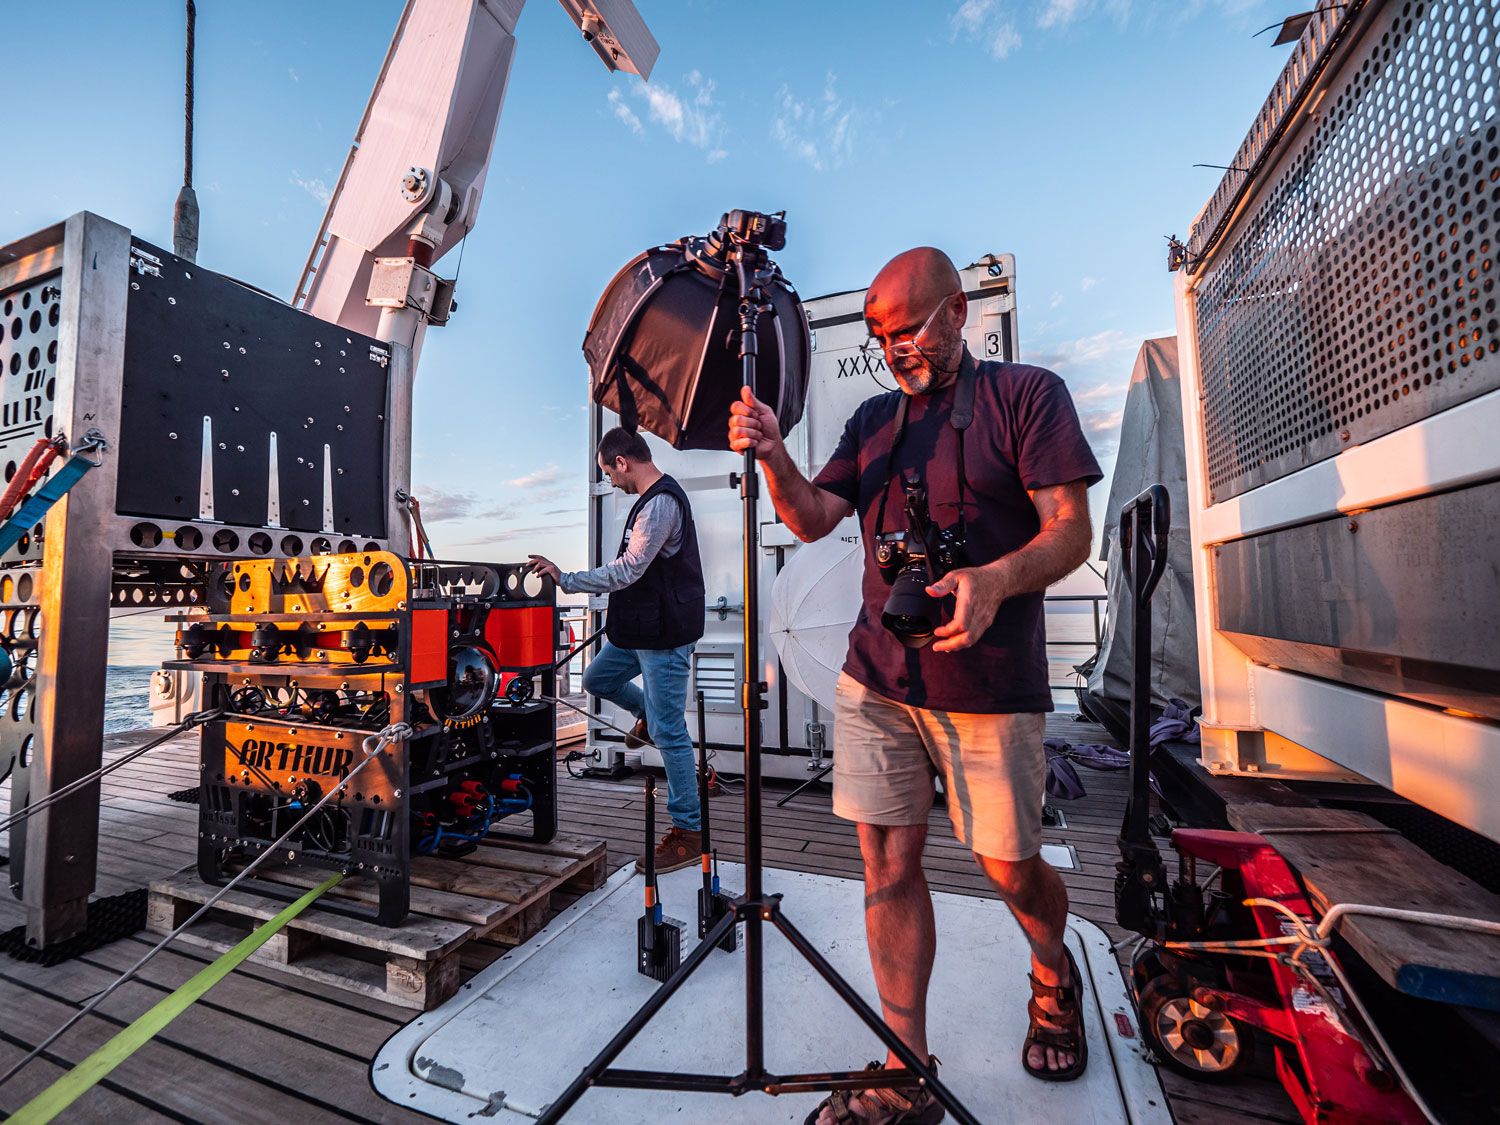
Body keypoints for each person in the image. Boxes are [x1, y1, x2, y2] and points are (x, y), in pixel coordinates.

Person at [729, 247, 1102, 1123]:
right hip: (879, 677)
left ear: (958, 310)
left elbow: (1072, 530)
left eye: (908, 330)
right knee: (886, 861)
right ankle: (906, 1066)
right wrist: (778, 456)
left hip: (991, 684)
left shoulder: (1027, 396)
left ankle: (1052, 970)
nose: (895, 349)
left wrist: (997, 579)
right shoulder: (871, 420)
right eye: (880, 336)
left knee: (1009, 866)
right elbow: (815, 517)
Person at [528, 427, 705, 873]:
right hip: (639, 631)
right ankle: (646, 713)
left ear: (622, 462)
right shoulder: (648, 503)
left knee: (670, 735)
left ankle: (689, 832)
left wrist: (567, 579)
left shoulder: (661, 503)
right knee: (597, 679)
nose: (610, 481)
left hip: (663, 637)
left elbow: (628, 570)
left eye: (609, 473)